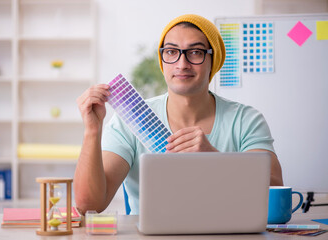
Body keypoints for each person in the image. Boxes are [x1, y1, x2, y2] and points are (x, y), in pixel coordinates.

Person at [74, 14, 283, 215]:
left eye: (195, 52)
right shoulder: (130, 119)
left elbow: (272, 191)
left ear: (213, 60)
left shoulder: (245, 120)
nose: (182, 64)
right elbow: (90, 205)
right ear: (162, 60)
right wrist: (92, 131)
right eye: (172, 52)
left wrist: (214, 160)